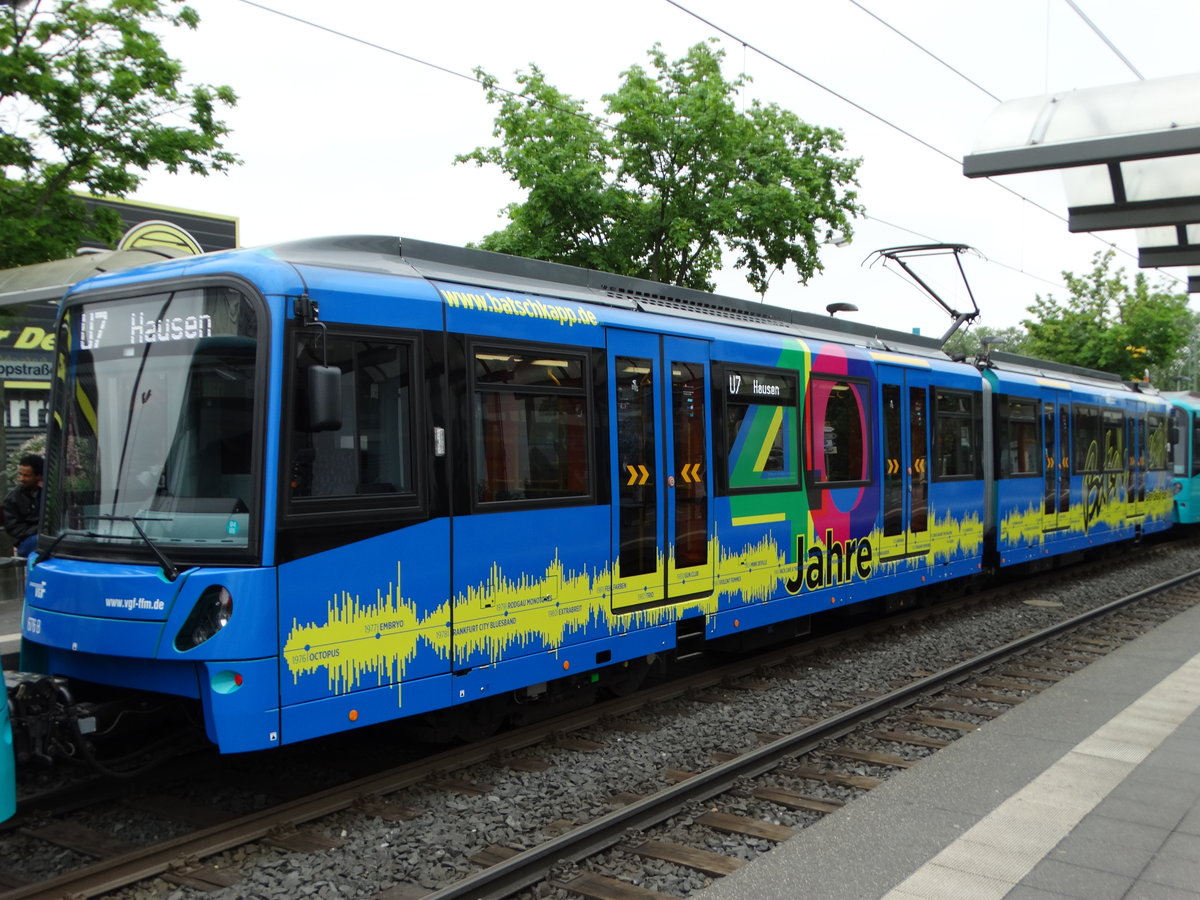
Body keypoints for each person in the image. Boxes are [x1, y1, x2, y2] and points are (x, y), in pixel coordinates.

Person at [5, 453, 43, 557]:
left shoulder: (45, 494)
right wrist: (38, 529)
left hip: (42, 537)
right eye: (20, 474)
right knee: (42, 541)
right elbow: (13, 528)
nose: (21, 478)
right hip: (25, 541)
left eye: (26, 475)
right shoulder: (13, 498)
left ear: (38, 476)